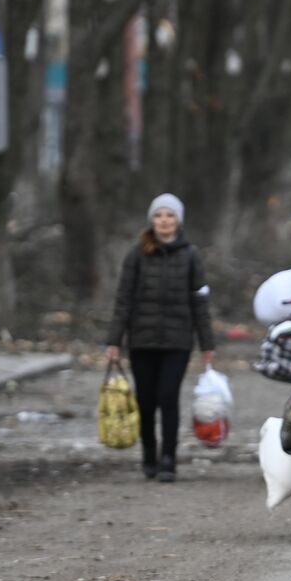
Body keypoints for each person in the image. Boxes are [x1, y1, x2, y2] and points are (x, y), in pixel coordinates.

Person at [105, 193, 215, 483]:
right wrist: (114, 340)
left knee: (168, 397)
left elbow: (200, 302)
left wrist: (207, 344)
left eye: (169, 215)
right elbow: (123, 299)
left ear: (178, 220)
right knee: (145, 399)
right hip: (142, 340)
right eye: (159, 215)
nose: (164, 221)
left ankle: (168, 458)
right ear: (152, 220)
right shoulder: (137, 254)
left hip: (178, 341)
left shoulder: (191, 255)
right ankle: (149, 455)